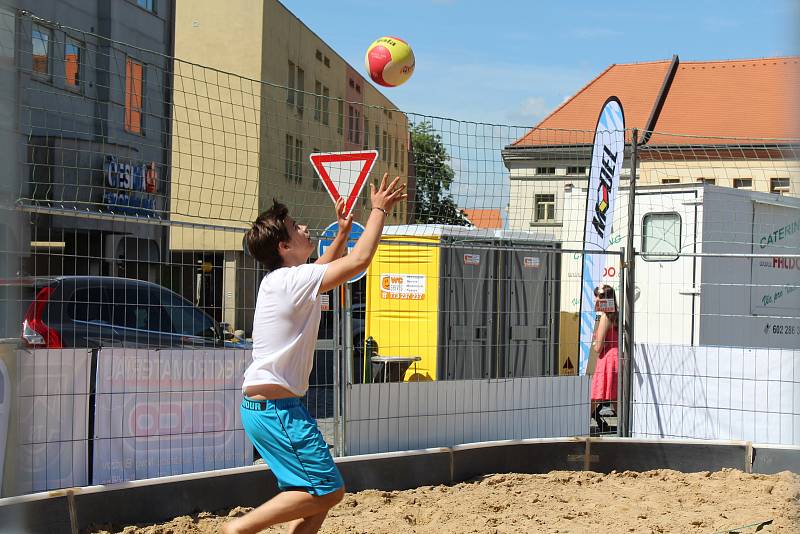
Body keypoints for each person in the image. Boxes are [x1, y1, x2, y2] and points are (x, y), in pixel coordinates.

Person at [222, 174, 407, 534]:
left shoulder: (284, 279)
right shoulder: (290, 280)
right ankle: (238, 529)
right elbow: (359, 261)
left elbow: (324, 267)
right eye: (295, 226)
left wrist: (340, 233)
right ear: (283, 247)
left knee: (312, 494)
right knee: (329, 491)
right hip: (276, 411)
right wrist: (380, 210)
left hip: (270, 408)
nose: (304, 226)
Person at [590, 284, 619, 435]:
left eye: (597, 296)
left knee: (598, 396)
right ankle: (617, 429)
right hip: (616, 358)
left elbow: (598, 347)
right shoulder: (616, 314)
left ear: (603, 300)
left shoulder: (605, 317)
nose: (595, 299)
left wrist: (595, 341)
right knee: (614, 397)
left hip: (607, 359)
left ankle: (599, 430)